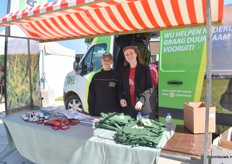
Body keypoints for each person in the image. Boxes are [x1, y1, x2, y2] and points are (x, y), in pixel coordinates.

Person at [119, 46, 153, 119]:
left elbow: (150, 88)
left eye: (131, 53)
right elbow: (120, 88)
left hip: (142, 108)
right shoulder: (123, 71)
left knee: (141, 130)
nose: (129, 56)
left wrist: (141, 101)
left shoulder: (145, 69)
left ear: (136, 54)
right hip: (128, 109)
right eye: (126, 54)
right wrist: (121, 98)